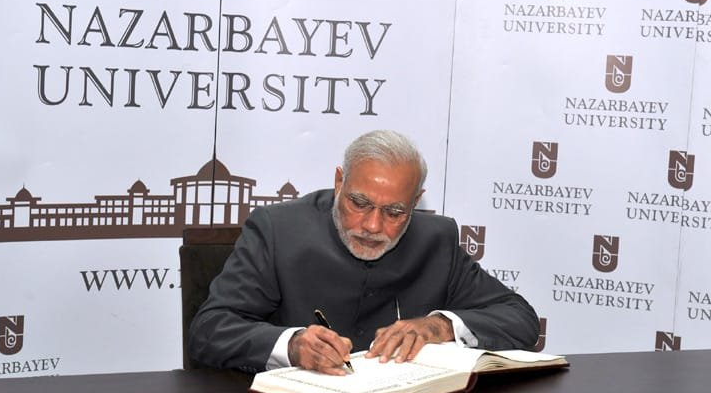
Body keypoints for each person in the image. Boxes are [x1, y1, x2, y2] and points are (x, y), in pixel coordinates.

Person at [189, 130, 540, 375]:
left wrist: (438, 326)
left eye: (394, 212)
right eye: (359, 203)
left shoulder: (437, 240)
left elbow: (520, 318)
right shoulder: (277, 230)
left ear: (416, 202)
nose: (373, 226)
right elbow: (210, 329)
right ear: (340, 181)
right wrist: (292, 345)